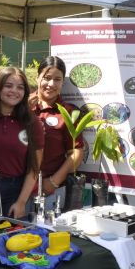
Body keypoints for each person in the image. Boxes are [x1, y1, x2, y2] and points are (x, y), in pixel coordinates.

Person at [0, 67, 44, 218]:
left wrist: (21, 202)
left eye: (20, 87)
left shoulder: (32, 122)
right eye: (8, 86)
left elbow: (34, 168)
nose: (14, 91)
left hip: (14, 192)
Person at [29, 56, 84, 211]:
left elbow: (77, 152)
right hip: (18, 187)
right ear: (37, 77)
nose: (51, 84)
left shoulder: (67, 112)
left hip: (51, 190)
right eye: (47, 78)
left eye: (57, 79)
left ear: (62, 83)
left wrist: (53, 182)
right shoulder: (21, 105)